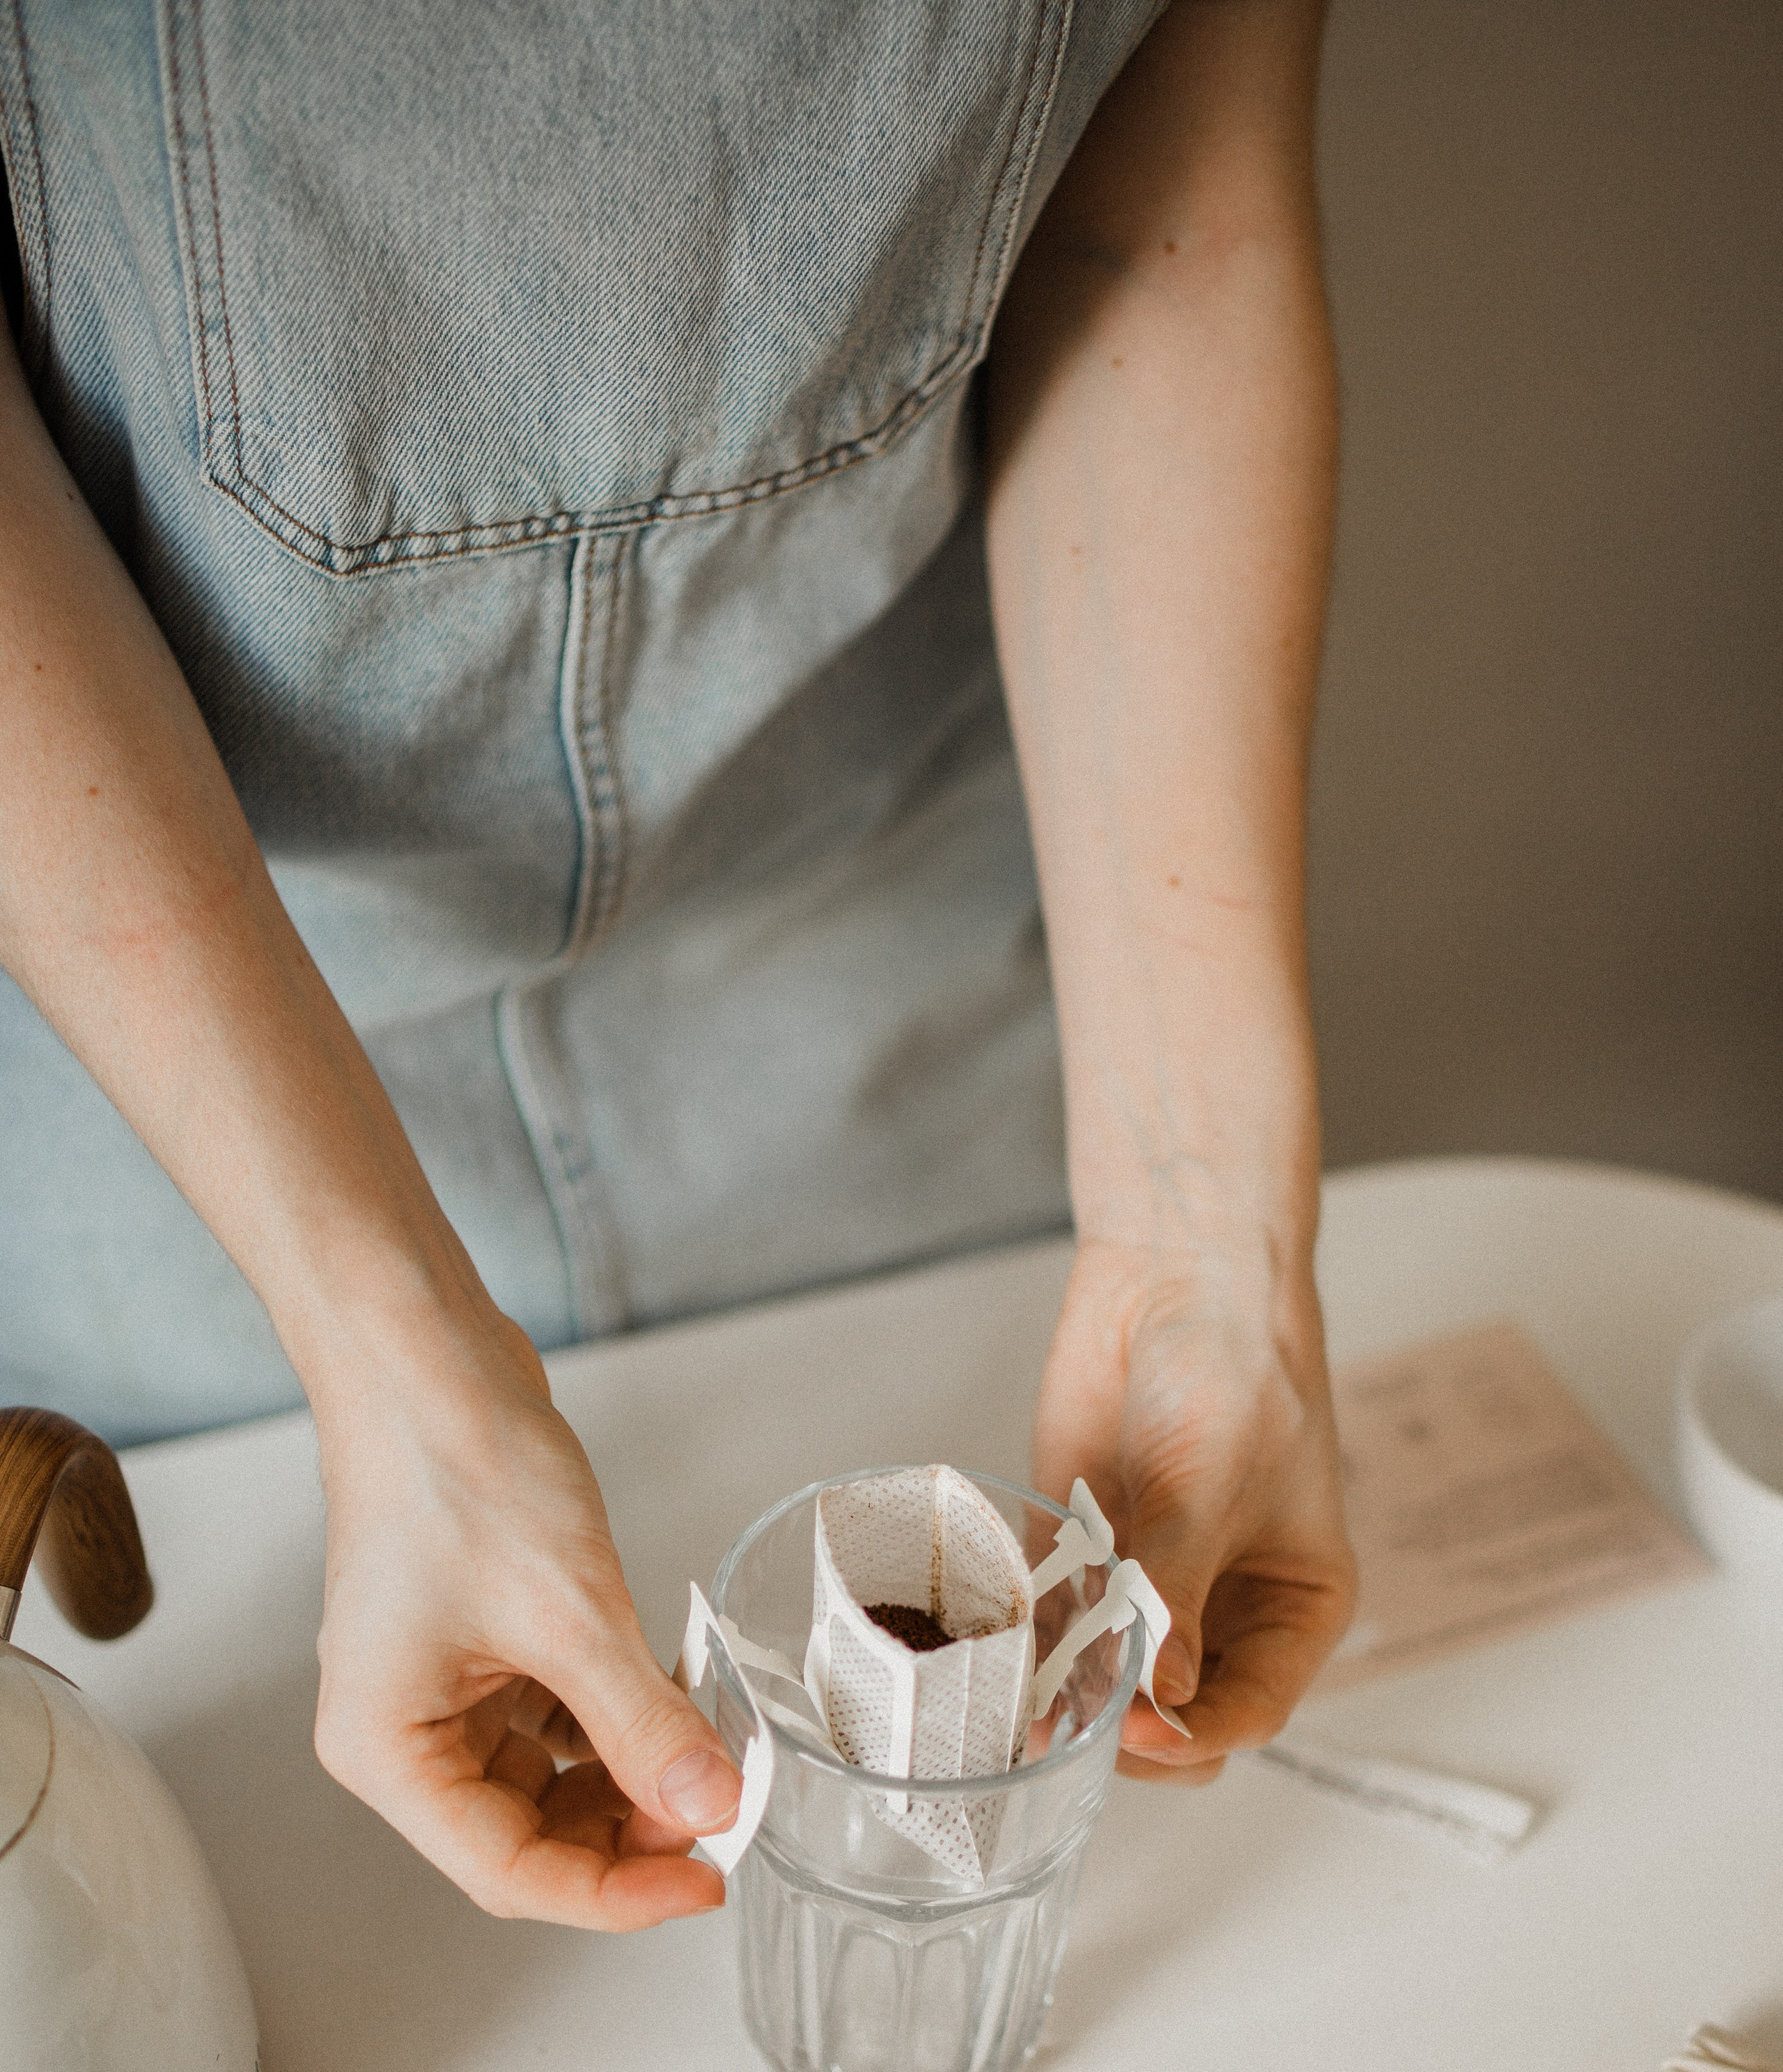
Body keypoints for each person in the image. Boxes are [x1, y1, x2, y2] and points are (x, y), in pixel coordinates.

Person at [0, 0, 1354, 1931]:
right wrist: (388, 1360)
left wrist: (1204, 1238)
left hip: (882, 944)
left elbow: (1164, 228)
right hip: (166, 1047)